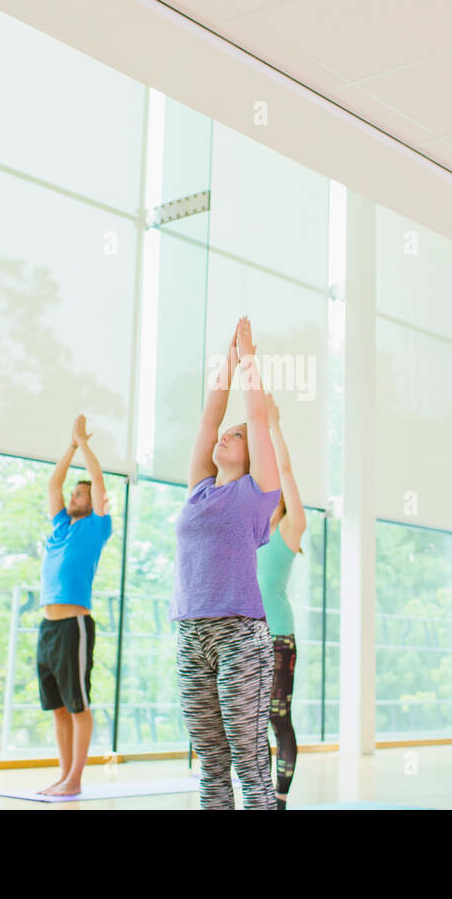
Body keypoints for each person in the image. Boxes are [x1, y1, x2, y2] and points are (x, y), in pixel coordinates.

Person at [173, 316, 281, 810]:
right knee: (211, 759)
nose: (225, 438)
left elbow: (255, 419)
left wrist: (250, 360)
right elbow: (208, 418)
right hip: (190, 635)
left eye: (235, 437)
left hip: (240, 635)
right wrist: (227, 361)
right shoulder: (199, 487)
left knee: (248, 754)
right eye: (226, 435)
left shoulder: (256, 493)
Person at [37, 414, 113, 798]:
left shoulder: (97, 525)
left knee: (78, 703)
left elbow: (97, 481)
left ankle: (76, 779)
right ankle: (64, 776)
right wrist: (69, 445)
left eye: (80, 494)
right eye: (75, 494)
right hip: (48, 627)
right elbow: (54, 482)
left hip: (74, 626)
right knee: (58, 707)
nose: (73, 496)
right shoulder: (60, 526)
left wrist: (84, 444)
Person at [256, 393, 307, 810]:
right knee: (248, 723)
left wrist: (272, 425)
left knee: (277, 719)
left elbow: (285, 469)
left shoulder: (290, 530)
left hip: (278, 639)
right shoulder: (249, 534)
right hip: (247, 639)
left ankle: (279, 799)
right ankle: (255, 796)